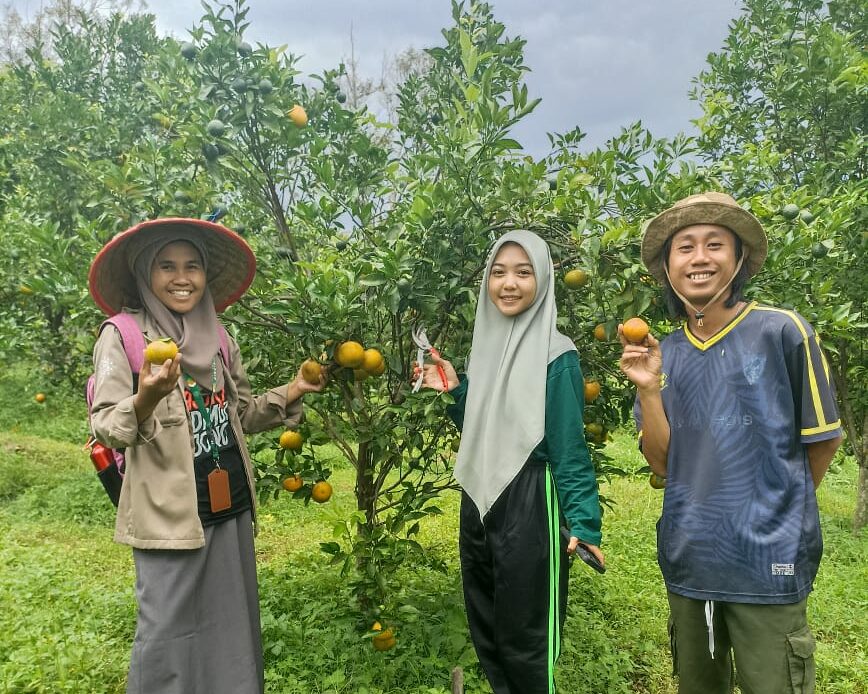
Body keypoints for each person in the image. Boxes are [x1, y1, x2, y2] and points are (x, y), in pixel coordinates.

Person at [88, 218, 323, 694]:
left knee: (230, 625)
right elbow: (108, 425)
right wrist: (145, 399)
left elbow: (241, 412)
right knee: (166, 631)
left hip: (228, 501)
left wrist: (293, 390)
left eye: (192, 265)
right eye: (167, 266)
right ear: (143, 273)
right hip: (170, 512)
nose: (182, 277)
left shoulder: (217, 335)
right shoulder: (124, 336)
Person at [619, 192, 842, 694]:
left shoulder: (782, 331)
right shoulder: (663, 353)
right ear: (669, 268)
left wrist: (774, 511)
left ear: (738, 259)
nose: (699, 258)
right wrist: (650, 389)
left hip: (768, 561)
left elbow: (822, 441)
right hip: (691, 555)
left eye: (714, 244)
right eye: (685, 247)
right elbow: (661, 462)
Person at [417, 230, 603, 694]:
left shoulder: (557, 356)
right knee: (490, 625)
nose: (509, 283)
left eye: (523, 272)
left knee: (528, 638)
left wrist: (585, 521)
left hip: (531, 501)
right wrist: (457, 391)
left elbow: (568, 449)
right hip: (480, 498)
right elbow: (489, 431)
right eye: (498, 273)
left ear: (542, 280)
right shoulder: (486, 349)